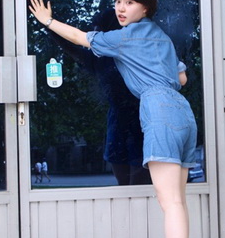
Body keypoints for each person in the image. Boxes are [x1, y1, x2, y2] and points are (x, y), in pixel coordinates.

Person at [29, 0, 196, 238]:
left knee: (170, 203)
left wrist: (47, 21)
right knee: (177, 202)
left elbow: (80, 38)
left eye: (129, 2)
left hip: (159, 110)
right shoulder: (161, 37)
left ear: (144, 7)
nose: (121, 7)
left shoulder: (125, 38)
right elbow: (182, 77)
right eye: (118, 0)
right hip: (183, 113)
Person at [48, 10, 151, 185]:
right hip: (118, 119)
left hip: (141, 118)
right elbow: (72, 47)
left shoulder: (135, 51)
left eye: (99, 29)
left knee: (138, 184)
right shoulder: (99, 59)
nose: (94, 33)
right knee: (124, 184)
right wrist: (50, 27)